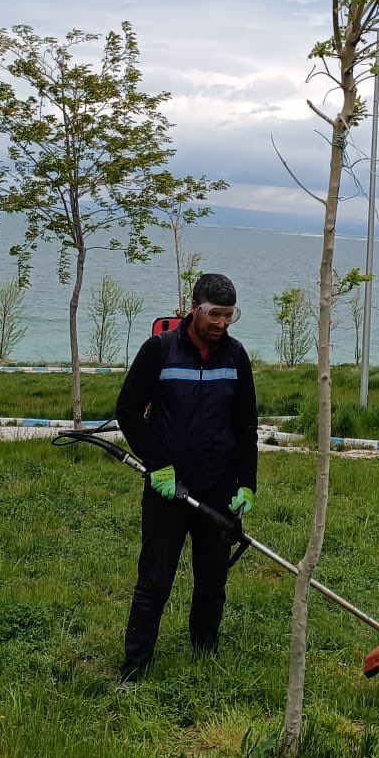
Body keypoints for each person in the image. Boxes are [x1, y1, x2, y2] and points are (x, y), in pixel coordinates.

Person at [115, 272, 259, 684]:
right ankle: (135, 667)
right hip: (168, 490)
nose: (221, 324)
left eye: (230, 316)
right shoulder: (159, 350)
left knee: (212, 581)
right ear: (194, 307)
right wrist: (158, 463)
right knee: (155, 580)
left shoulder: (235, 356)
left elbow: (246, 425)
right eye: (215, 314)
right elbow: (127, 410)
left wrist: (246, 482)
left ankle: (204, 654)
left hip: (218, 490)